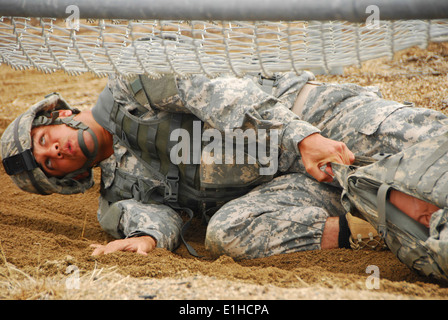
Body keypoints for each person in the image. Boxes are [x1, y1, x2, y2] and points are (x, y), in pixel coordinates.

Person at [1, 70, 447, 260]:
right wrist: (146, 238)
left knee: (431, 145)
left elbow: (213, 89)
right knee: (226, 232)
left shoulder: (126, 89)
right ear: (68, 178)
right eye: (48, 164)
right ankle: (375, 230)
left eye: (46, 141)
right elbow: (156, 218)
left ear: (57, 116)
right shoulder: (115, 199)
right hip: (288, 184)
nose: (54, 152)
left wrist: (304, 137)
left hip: (307, 118)